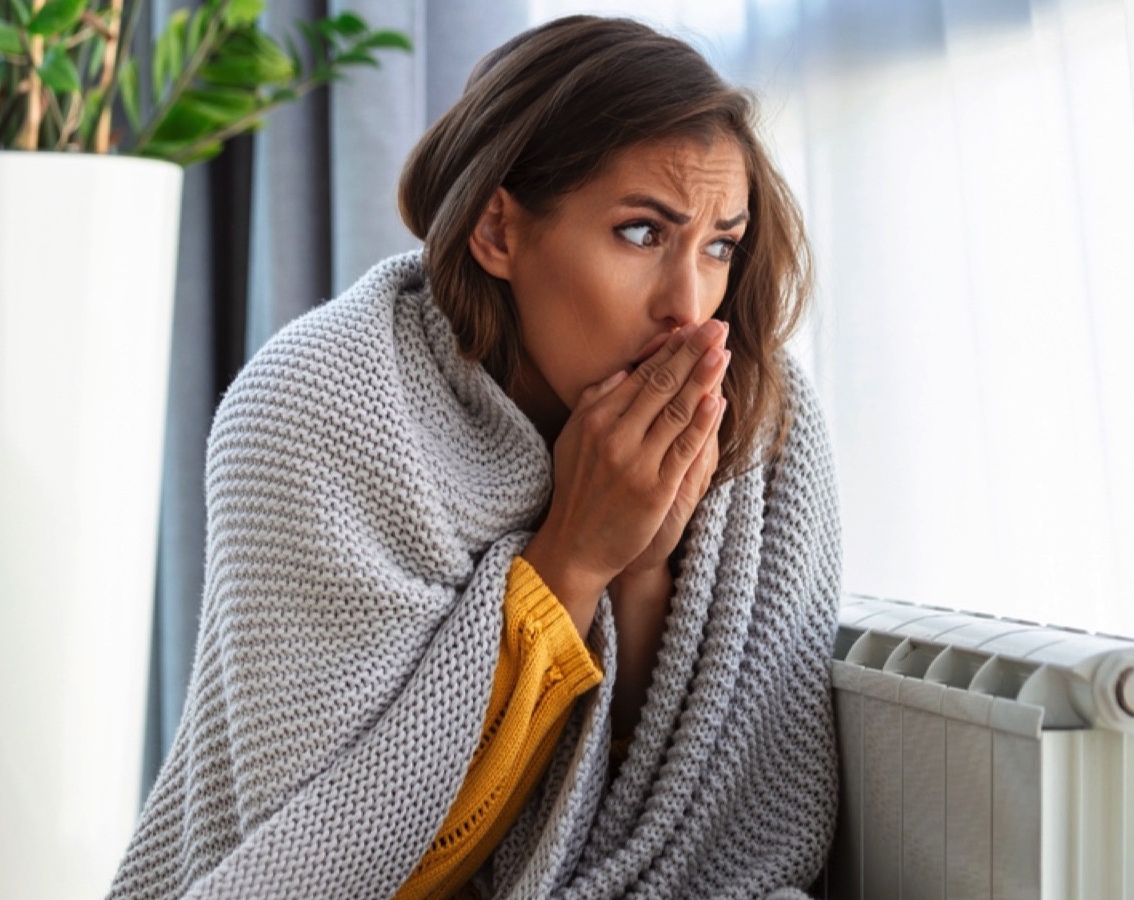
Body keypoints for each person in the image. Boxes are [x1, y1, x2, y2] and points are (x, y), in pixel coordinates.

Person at [108, 14, 842, 900]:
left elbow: (692, 833)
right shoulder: (316, 407)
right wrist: (572, 557)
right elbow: (347, 871)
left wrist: (644, 572)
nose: (690, 307)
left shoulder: (757, 424)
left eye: (719, 245)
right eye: (643, 234)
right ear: (498, 231)